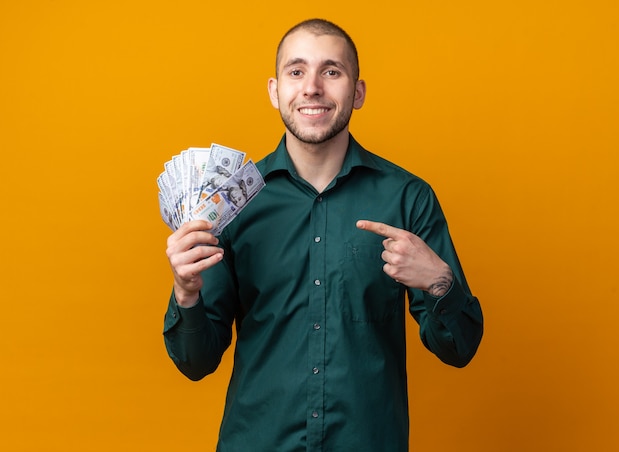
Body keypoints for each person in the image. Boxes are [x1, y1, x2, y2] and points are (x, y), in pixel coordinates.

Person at [163, 18, 484, 451]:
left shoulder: (408, 198)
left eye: (331, 71)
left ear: (357, 92)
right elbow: (195, 362)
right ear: (275, 90)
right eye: (297, 71)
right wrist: (186, 292)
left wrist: (439, 281)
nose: (312, 87)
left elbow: (459, 349)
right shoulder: (230, 204)